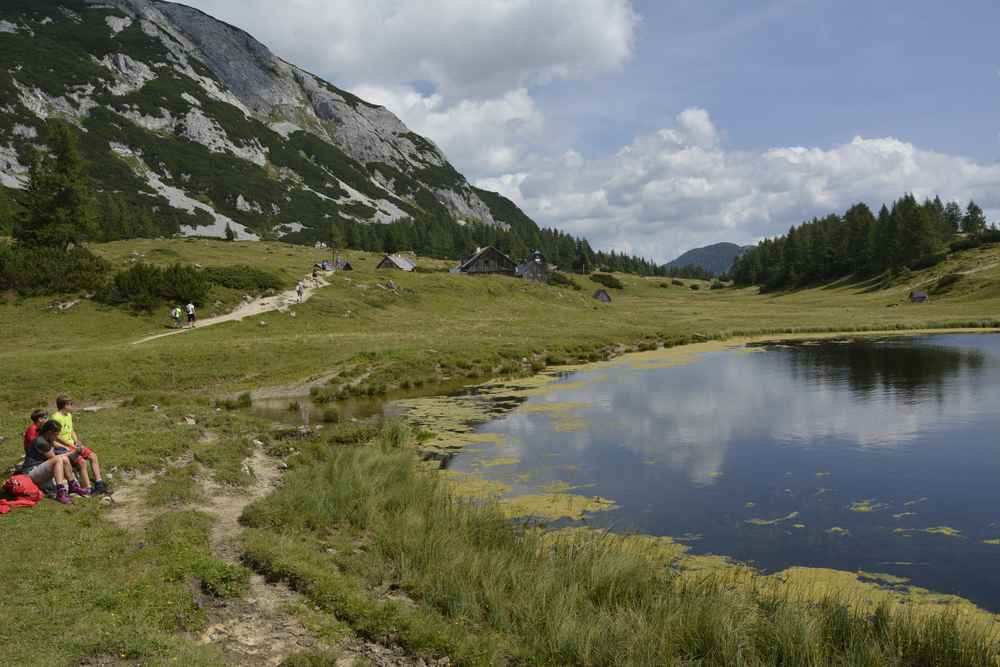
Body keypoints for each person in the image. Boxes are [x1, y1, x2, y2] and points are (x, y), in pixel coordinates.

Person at [50, 394, 109, 495]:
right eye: (70, 404)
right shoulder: (55, 417)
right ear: (65, 405)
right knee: (82, 462)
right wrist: (71, 446)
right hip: (62, 447)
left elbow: (71, 430)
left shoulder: (68, 415)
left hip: (72, 445)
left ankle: (99, 483)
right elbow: (56, 437)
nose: (72, 406)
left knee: (93, 456)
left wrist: (77, 441)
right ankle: (88, 488)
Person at [22, 420, 83, 504]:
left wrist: (72, 450)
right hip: (31, 472)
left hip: (40, 471)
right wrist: (75, 452)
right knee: (59, 459)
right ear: (49, 432)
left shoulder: (47, 439)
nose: (57, 436)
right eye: (56, 434)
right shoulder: (41, 442)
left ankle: (72, 485)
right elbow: (55, 458)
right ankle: (60, 492)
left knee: (63, 459)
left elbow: (63, 452)